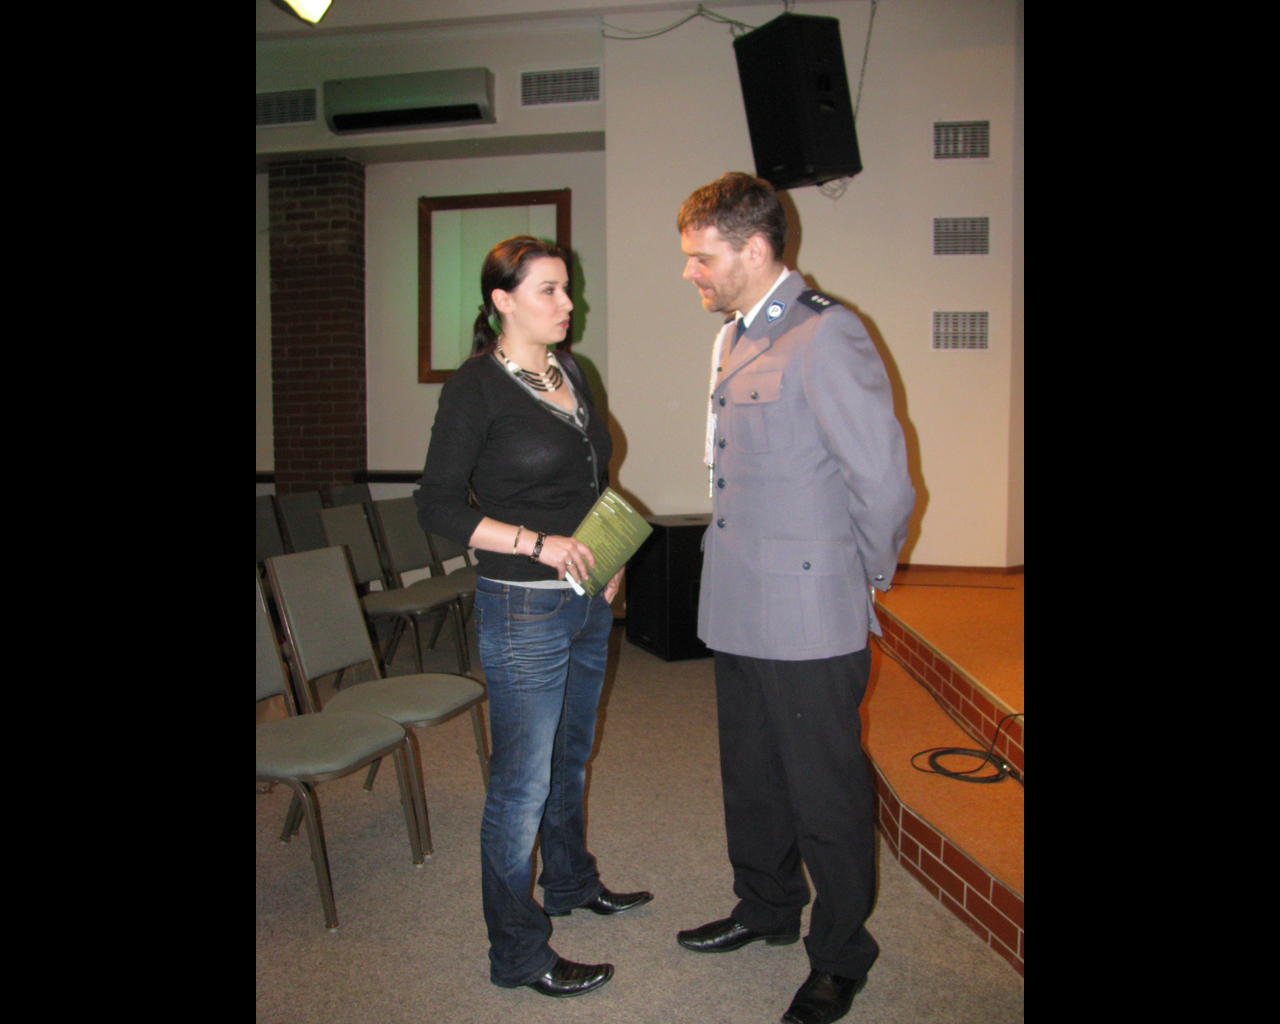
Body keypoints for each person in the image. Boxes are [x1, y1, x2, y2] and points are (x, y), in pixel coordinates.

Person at [674, 173, 915, 1024]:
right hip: (737, 601)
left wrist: (865, 577)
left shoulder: (826, 333)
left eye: (702, 257)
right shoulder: (734, 336)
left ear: (755, 248)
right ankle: (767, 906)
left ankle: (842, 954)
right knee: (751, 778)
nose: (690, 272)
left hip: (810, 612)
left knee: (826, 794)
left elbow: (883, 482)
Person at [415, 235, 651, 999]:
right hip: (521, 606)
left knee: (571, 754)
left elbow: (593, 479)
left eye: (566, 288)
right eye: (549, 289)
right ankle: (516, 953)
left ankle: (572, 881)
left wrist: (606, 557)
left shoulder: (572, 372)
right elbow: (436, 505)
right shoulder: (474, 389)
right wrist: (537, 544)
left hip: (586, 597)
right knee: (519, 786)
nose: (567, 303)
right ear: (502, 301)